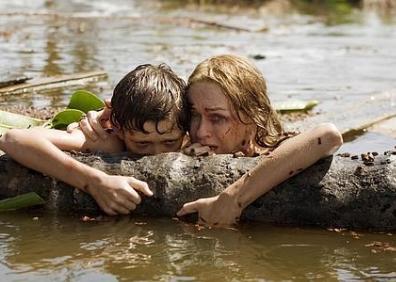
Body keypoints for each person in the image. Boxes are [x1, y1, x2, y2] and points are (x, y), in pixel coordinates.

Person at [78, 54, 343, 227]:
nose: (201, 131)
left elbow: (327, 135)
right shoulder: (175, 145)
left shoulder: (273, 149)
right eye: (194, 115)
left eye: (217, 118)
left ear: (253, 115)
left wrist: (232, 199)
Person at [0, 64, 189, 216]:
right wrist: (94, 182)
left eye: (170, 142)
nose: (158, 154)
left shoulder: (189, 140)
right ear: (119, 128)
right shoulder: (106, 140)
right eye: (142, 143)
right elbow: (13, 139)